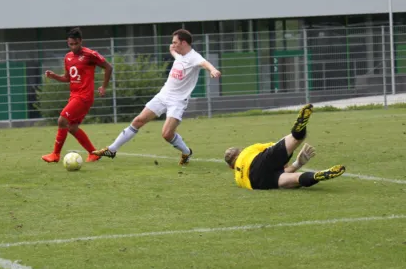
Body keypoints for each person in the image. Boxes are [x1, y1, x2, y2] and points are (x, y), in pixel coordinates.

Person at [92, 29, 221, 165]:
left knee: (166, 134)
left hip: (177, 101)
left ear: (183, 43)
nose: (173, 44)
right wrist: (172, 48)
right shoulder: (180, 54)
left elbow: (205, 63)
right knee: (138, 121)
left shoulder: (194, 57)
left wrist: (213, 70)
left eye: (175, 42)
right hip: (163, 95)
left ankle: (186, 152)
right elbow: (174, 52)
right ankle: (112, 149)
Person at [224, 104, 346, 190]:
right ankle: (297, 131)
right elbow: (275, 145)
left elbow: (281, 172)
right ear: (240, 151)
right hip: (258, 161)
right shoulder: (248, 150)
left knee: (293, 180)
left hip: (257, 182)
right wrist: (291, 147)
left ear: (231, 167)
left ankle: (315, 176)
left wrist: (298, 164)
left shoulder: (238, 179)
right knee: (294, 139)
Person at [41, 27, 113, 163]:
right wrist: (54, 76)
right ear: (68, 43)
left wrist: (103, 86)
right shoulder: (68, 57)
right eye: (70, 44)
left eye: (76, 44)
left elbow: (108, 67)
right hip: (74, 96)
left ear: (81, 41)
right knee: (72, 128)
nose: (73, 47)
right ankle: (93, 154)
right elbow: (68, 78)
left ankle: (55, 155)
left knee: (62, 120)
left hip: (84, 96)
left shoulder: (90, 54)